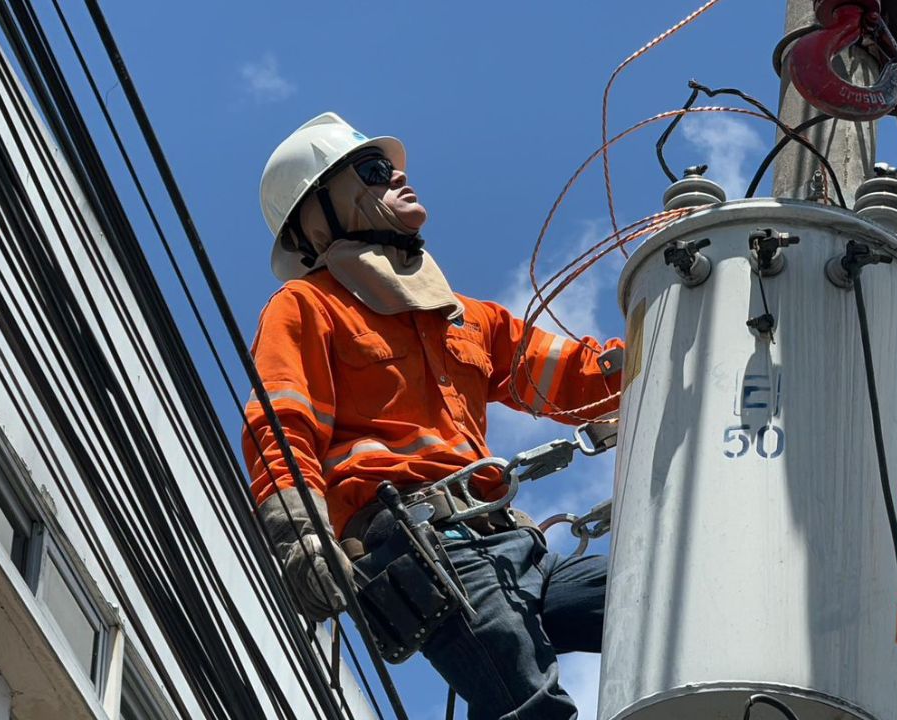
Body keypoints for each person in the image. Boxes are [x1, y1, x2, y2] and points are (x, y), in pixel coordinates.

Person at [242, 112, 623, 720]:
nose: (397, 175)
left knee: (657, 598)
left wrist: (676, 332)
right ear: (318, 216)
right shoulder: (306, 307)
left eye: (395, 166)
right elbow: (282, 430)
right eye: (372, 171)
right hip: (416, 546)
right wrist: (301, 539)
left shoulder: (469, 319)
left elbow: (578, 382)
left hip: (508, 543)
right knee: (530, 704)